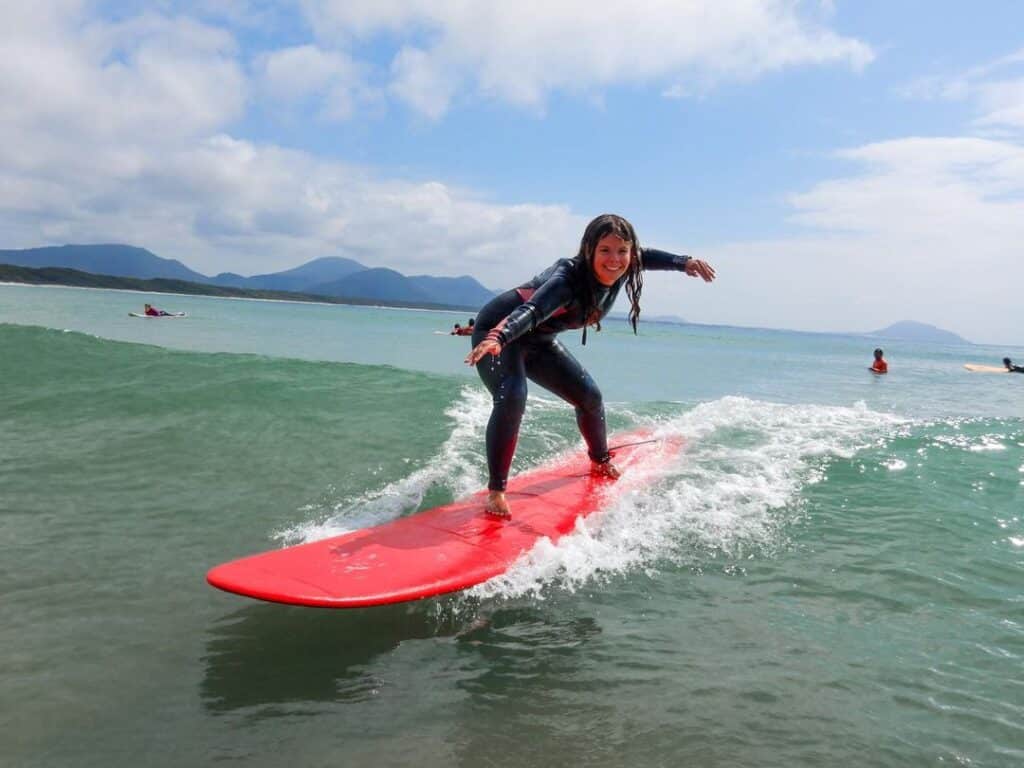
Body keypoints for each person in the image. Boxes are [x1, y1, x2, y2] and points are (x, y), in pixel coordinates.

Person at [465, 213, 715, 518]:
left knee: (589, 397)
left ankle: (599, 460)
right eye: (605, 251)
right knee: (513, 394)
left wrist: (683, 262)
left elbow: (645, 256)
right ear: (589, 251)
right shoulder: (567, 280)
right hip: (501, 330)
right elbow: (532, 311)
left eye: (622, 251)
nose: (615, 260)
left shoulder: (624, 265)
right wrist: (498, 336)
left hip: (539, 339)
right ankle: (496, 492)